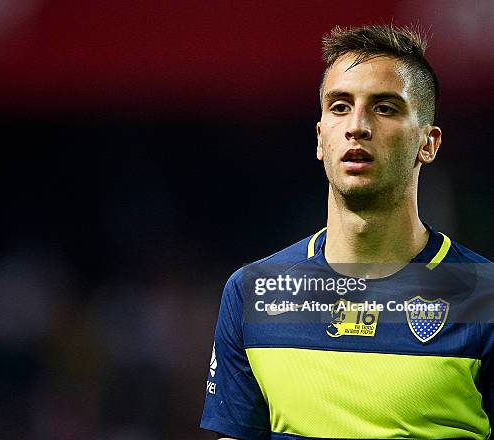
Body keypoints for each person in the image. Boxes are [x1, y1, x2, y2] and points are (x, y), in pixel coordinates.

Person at [200, 24, 493, 439]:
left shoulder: (483, 295)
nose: (357, 125)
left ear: (428, 143)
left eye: (385, 108)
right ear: (321, 138)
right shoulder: (254, 292)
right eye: (339, 106)